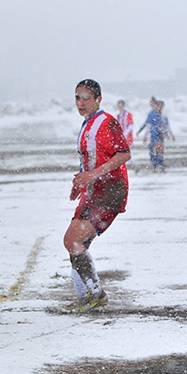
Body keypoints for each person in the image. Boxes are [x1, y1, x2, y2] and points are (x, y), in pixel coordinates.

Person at [63, 79, 130, 312]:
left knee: (73, 241)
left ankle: (95, 294)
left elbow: (123, 154)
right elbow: (88, 160)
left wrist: (92, 175)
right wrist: (80, 182)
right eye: (77, 97)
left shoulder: (106, 122)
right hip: (93, 190)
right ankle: (85, 298)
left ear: (98, 99)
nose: (80, 103)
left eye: (85, 98)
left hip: (110, 189)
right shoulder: (87, 124)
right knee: (74, 242)